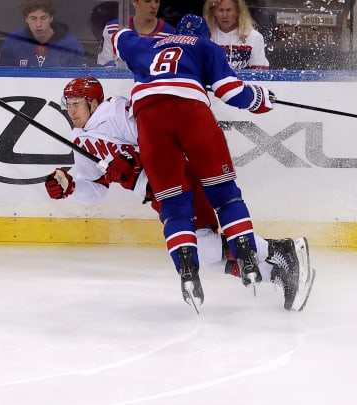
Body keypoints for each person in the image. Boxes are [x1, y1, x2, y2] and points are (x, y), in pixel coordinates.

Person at [44, 77, 311, 310]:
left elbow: (159, 140)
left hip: (177, 181)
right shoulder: (80, 138)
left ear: (93, 102)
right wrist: (70, 187)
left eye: (76, 103)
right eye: (67, 104)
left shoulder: (115, 114)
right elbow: (95, 191)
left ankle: (280, 249)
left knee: (203, 247)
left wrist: (136, 162)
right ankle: (276, 271)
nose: (71, 110)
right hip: (158, 196)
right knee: (206, 256)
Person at [111, 15, 314, 311]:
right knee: (223, 191)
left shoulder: (147, 45)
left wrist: (135, 39)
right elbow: (232, 92)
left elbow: (117, 35)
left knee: (173, 204)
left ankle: (186, 269)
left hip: (149, 121)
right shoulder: (205, 47)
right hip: (192, 112)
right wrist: (262, 99)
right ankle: (245, 254)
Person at [0, 0, 86, 67]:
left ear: (51, 17)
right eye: (33, 18)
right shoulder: (12, 42)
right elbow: (2, 79)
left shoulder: (71, 45)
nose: (38, 24)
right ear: (26, 19)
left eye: (43, 18)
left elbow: (80, 81)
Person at [96, 0, 175, 67]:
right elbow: (104, 66)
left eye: (157, 1)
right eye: (147, 1)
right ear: (134, 2)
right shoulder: (112, 28)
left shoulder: (169, 35)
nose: (154, 6)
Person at [203, 0, 270, 70]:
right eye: (220, 10)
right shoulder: (205, 37)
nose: (225, 15)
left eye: (229, 10)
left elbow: (259, 74)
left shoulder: (254, 37)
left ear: (238, 12)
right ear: (214, 12)